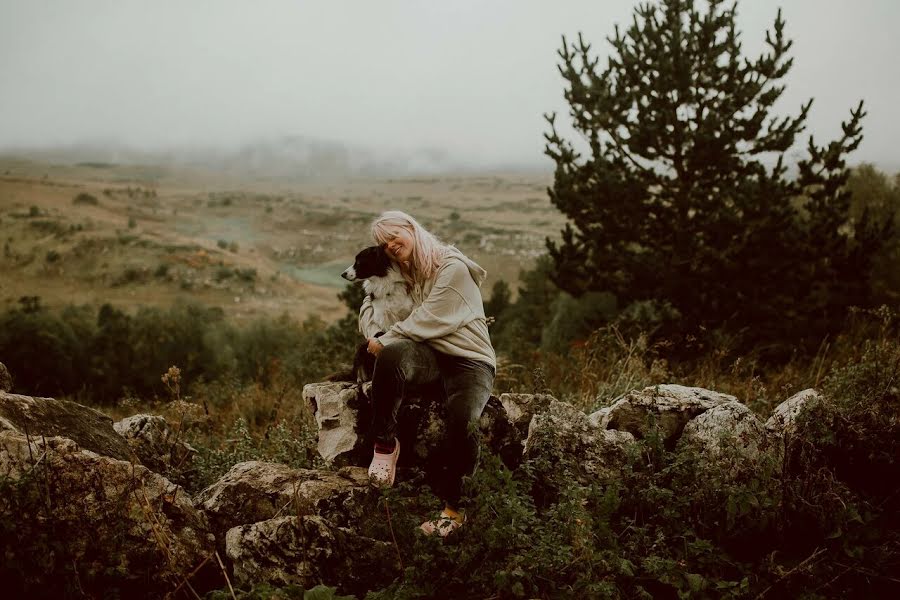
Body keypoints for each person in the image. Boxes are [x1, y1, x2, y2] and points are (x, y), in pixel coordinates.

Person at [359, 210, 496, 537]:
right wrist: (375, 334)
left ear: (412, 229)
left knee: (463, 420)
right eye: (383, 242)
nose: (390, 245)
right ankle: (384, 445)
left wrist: (388, 336)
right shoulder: (407, 272)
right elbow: (371, 298)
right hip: (430, 356)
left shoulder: (452, 267)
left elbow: (431, 317)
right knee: (390, 356)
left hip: (469, 359)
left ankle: (454, 512)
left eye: (395, 235)